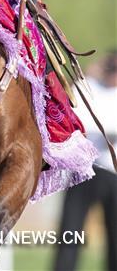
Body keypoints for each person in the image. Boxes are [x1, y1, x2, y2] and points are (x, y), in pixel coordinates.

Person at [53, 50, 117, 271]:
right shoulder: (88, 87)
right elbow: (74, 118)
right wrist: (88, 73)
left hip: (113, 173)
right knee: (70, 230)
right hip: (85, 170)